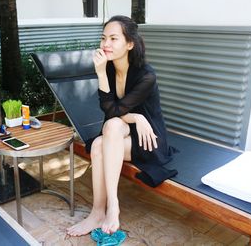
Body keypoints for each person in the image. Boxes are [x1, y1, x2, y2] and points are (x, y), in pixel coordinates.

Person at [66, 15, 177, 237]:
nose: (106, 44)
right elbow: (110, 112)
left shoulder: (147, 76)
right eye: (103, 37)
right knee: (107, 133)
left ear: (129, 44)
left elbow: (114, 111)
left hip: (149, 139)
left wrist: (138, 119)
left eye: (114, 38)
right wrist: (136, 118)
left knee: (101, 142)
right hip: (123, 129)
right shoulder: (106, 68)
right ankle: (100, 211)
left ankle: (110, 207)